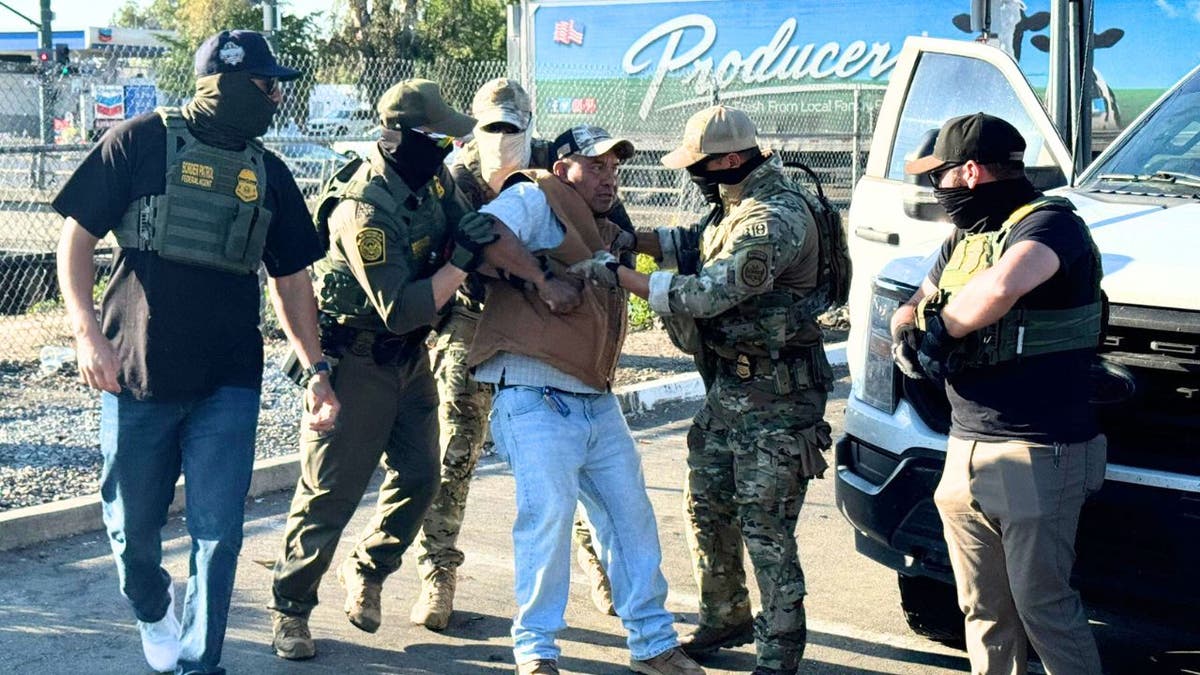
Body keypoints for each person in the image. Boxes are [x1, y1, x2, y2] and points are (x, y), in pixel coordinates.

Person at [53, 29, 339, 675]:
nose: (275, 99)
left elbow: (292, 280)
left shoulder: (269, 171)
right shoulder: (139, 140)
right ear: (233, 84)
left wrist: (316, 369)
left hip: (228, 381)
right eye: (267, 86)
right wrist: (85, 333)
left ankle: (198, 664)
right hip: (136, 373)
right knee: (131, 533)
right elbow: (75, 238)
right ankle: (154, 606)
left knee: (219, 535)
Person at [572, 106, 835, 675]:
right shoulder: (737, 204)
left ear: (731, 160)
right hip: (731, 394)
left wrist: (620, 274)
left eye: (699, 165)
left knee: (765, 525)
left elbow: (706, 293)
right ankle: (727, 615)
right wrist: (636, 238)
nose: (693, 174)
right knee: (707, 504)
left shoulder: (774, 219)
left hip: (779, 398)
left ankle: (780, 650)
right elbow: (697, 241)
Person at [266, 79, 496, 660]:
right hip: (358, 361)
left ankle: (367, 568)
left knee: (421, 477)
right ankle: (290, 611)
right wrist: (463, 262)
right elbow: (402, 309)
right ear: (400, 136)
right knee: (329, 496)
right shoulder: (364, 209)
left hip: (410, 360)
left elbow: (460, 221)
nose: (447, 146)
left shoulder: (430, 177)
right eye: (437, 136)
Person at [463, 125, 705, 675]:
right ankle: (536, 652)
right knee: (546, 522)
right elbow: (481, 231)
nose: (608, 175)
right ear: (563, 164)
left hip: (592, 397)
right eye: (595, 165)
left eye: (614, 167)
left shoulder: (599, 224)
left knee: (630, 519)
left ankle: (652, 644)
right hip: (534, 390)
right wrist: (542, 280)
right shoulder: (534, 195)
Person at [891, 112, 1106, 675]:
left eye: (937, 176)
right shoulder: (965, 238)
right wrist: (908, 332)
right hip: (965, 447)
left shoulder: (1051, 226)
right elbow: (917, 298)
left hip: (1037, 450)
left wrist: (943, 330)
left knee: (1044, 609)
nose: (933, 188)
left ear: (967, 172)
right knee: (983, 609)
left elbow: (1005, 283)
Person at [410, 78, 616, 632]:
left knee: (569, 448)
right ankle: (438, 573)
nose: (503, 137)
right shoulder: (455, 176)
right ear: (475, 126)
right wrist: (534, 271)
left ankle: (598, 565)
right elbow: (458, 250)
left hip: (545, 324)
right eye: (492, 126)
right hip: (474, 320)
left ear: (529, 123)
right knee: (455, 451)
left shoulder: (552, 165)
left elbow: (599, 223)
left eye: (512, 126)